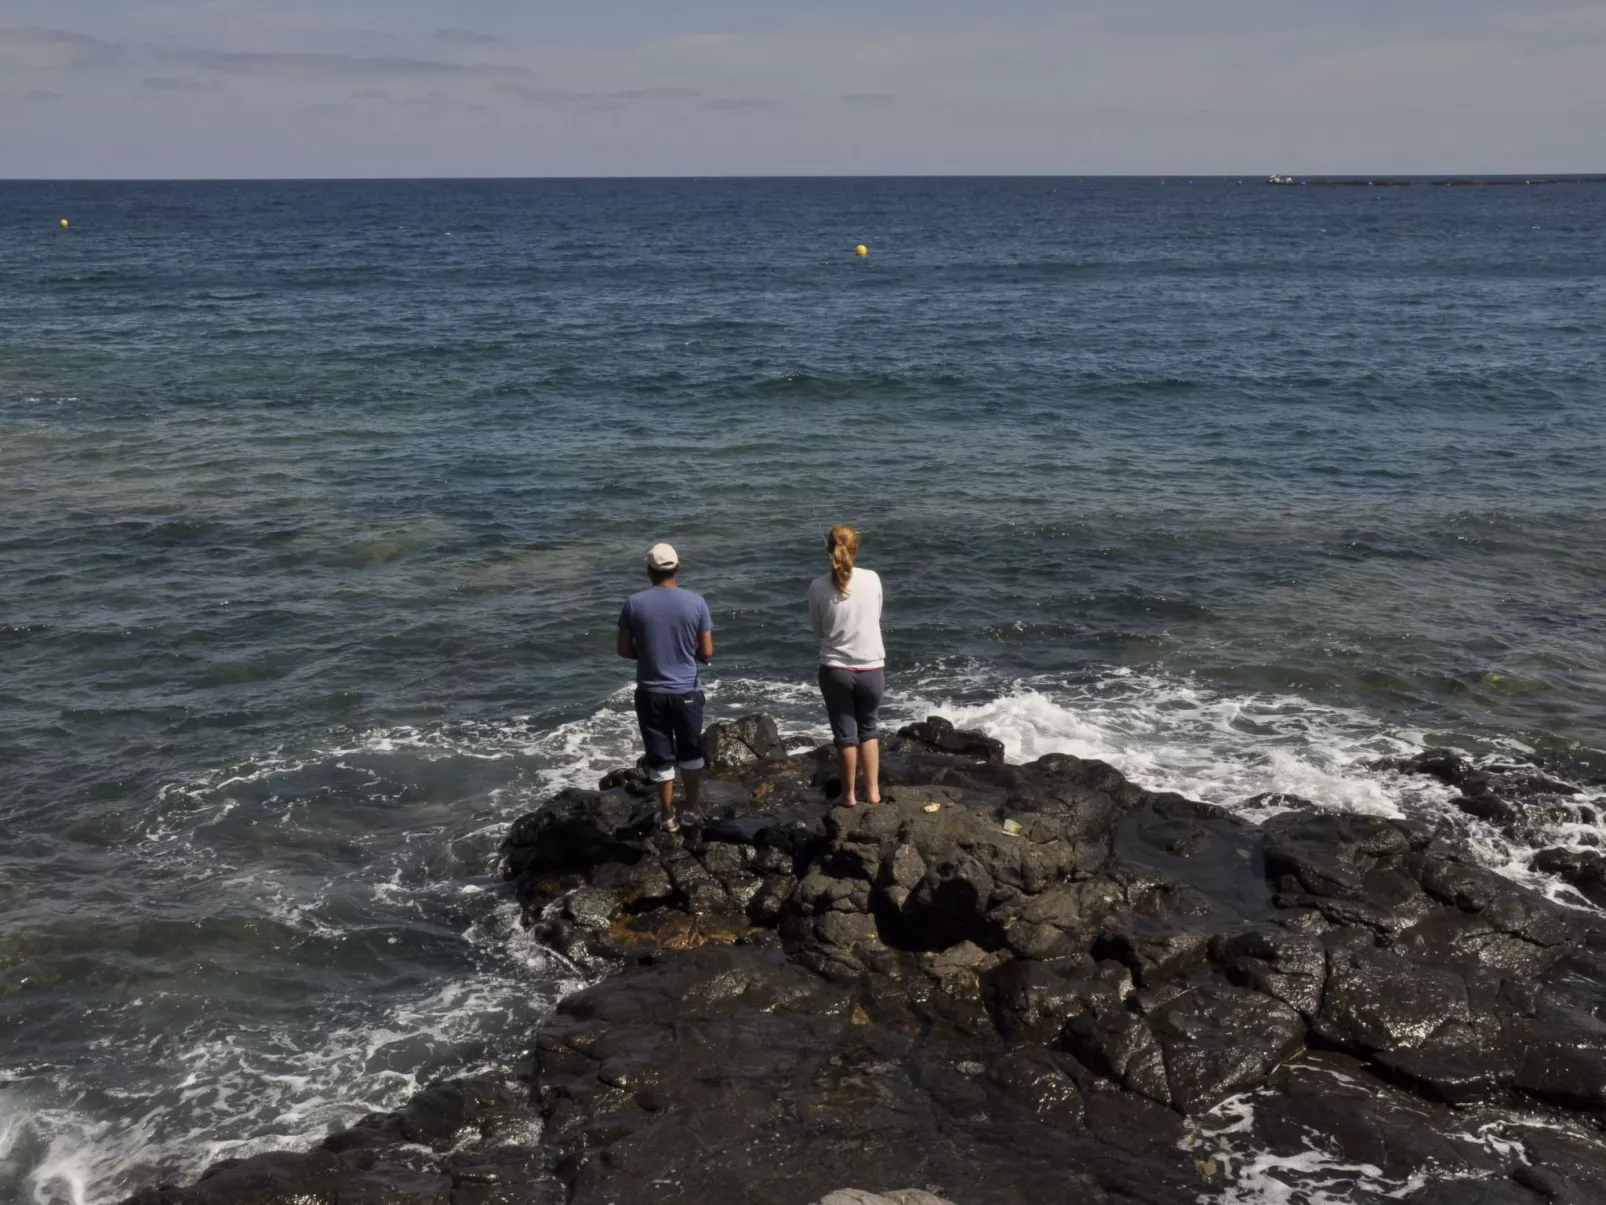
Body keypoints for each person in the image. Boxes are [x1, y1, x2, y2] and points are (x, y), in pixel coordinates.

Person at [617, 542, 714, 832]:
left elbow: (623, 649)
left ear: (649, 570)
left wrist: (646, 654)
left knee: (660, 756)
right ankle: (693, 810)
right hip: (686, 692)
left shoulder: (634, 603)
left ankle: (667, 815)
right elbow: (707, 651)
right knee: (691, 753)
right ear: (678, 568)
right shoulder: (696, 602)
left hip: (651, 693)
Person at [807, 524, 884, 806]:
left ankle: (849, 795)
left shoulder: (817, 586)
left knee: (845, 736)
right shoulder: (873, 579)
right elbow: (876, 615)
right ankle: (873, 792)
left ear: (829, 549)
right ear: (856, 549)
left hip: (835, 670)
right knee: (869, 730)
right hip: (872, 667)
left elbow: (818, 630)